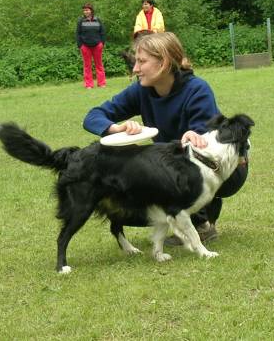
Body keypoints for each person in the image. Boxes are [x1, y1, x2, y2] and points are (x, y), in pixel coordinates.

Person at [83, 32, 249, 244]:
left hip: (227, 168)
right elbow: (93, 116)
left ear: (163, 62)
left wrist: (193, 137)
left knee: (186, 166)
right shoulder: (141, 90)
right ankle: (196, 217)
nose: (135, 69)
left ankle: (202, 224)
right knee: (135, 211)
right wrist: (115, 128)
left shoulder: (197, 90)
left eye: (142, 62)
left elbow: (206, 147)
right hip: (176, 165)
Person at [76, 3, 106, 89]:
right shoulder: (80, 21)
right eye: (84, 10)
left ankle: (101, 83)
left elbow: (102, 32)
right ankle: (89, 84)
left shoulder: (97, 20)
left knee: (99, 65)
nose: (86, 11)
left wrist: (101, 43)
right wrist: (80, 45)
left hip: (97, 46)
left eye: (87, 10)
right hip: (85, 46)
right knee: (87, 66)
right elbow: (78, 34)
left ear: (91, 11)